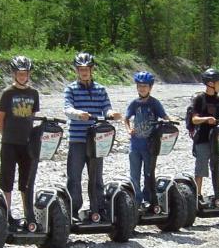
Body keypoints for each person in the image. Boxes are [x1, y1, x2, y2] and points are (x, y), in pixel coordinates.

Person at [63, 52, 122, 220]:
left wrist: (112, 114)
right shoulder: (71, 89)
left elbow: (106, 107)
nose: (84, 72)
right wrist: (78, 113)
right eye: (81, 69)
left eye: (86, 69)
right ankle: (73, 211)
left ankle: (98, 208)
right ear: (76, 70)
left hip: (97, 140)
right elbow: (67, 108)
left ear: (92, 69)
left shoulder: (100, 89)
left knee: (96, 177)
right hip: (78, 139)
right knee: (74, 176)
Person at [0, 55, 41, 227]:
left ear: (29, 74)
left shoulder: (34, 93)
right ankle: (6, 215)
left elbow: (32, 116)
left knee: (26, 181)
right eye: (19, 74)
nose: (22, 76)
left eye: (25, 73)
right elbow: (0, 117)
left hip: (27, 143)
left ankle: (28, 214)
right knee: (7, 179)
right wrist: (4, 135)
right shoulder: (8, 93)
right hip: (9, 143)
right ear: (14, 74)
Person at [189, 68, 219, 201]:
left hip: (218, 139)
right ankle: (198, 195)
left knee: (217, 167)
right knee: (201, 168)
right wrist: (206, 119)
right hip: (203, 138)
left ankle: (218, 194)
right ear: (210, 83)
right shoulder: (199, 98)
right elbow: (194, 119)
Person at [124, 71, 169, 208]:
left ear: (150, 87)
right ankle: (136, 201)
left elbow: (164, 116)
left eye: (145, 86)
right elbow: (126, 118)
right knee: (134, 175)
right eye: (140, 86)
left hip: (150, 145)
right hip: (135, 145)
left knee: (149, 174)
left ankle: (148, 198)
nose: (142, 88)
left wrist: (170, 120)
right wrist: (128, 129)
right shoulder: (134, 104)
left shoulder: (154, 103)